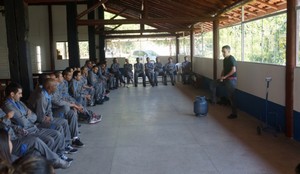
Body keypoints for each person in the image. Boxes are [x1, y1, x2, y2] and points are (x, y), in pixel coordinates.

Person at [2, 82, 67, 158]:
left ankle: (56, 157)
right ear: (12, 94)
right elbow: (23, 123)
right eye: (19, 93)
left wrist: (25, 116)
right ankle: (49, 161)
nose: (21, 95)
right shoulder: (8, 106)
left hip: (33, 127)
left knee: (57, 134)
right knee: (50, 140)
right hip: (26, 131)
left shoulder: (19, 102)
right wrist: (27, 114)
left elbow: (34, 116)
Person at [209, 45, 238, 119]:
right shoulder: (225, 60)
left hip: (231, 80)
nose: (223, 53)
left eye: (224, 52)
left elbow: (233, 70)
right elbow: (224, 69)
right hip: (225, 79)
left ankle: (234, 114)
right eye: (222, 52)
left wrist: (225, 77)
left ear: (228, 51)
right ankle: (213, 100)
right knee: (213, 83)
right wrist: (221, 76)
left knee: (231, 97)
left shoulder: (231, 59)